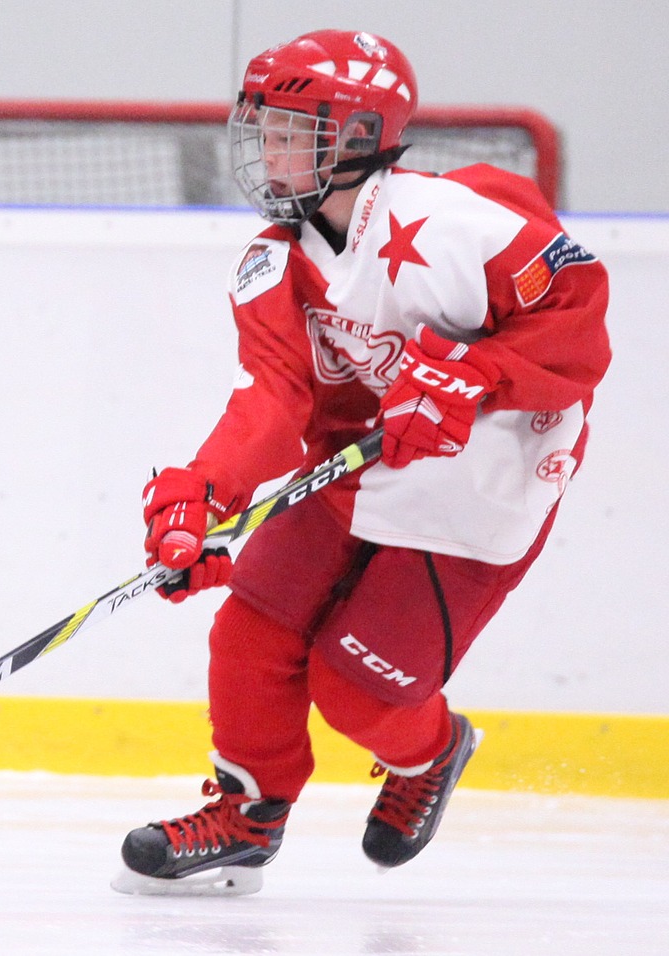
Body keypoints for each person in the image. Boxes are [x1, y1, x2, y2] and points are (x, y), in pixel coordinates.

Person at [111, 30, 611, 896]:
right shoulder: (273, 263)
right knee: (251, 632)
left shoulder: (456, 221)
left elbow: (577, 318)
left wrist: (474, 376)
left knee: (356, 694)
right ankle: (247, 816)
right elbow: (274, 400)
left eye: (290, 129)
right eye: (262, 126)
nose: (266, 148)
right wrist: (205, 493)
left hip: (485, 481)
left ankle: (436, 750)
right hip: (363, 465)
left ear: (353, 136)